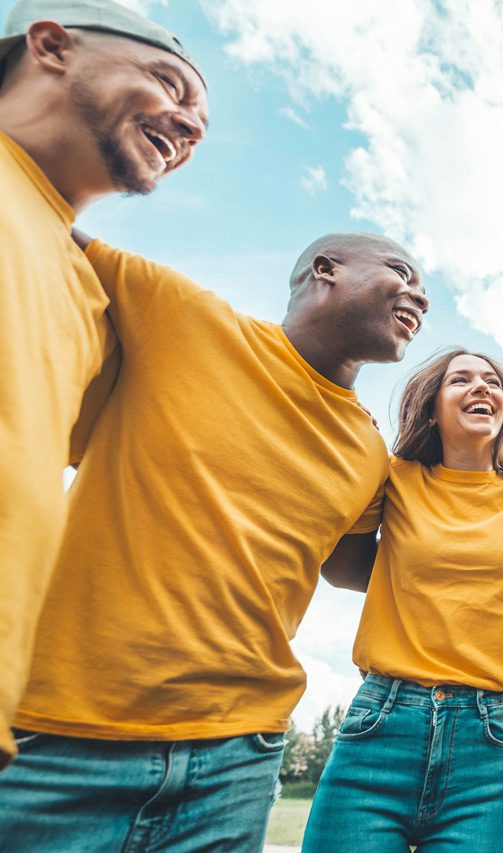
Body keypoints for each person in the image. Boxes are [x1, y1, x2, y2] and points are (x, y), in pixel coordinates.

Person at [0, 231, 427, 850]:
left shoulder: (368, 449)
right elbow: (33, 215)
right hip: (60, 736)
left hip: (238, 760)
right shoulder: (180, 315)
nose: (419, 296)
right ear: (325, 269)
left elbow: (349, 570)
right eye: (401, 272)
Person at [0, 0, 207, 767]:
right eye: (170, 85)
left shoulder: (89, 300)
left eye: (201, 124)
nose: (190, 128)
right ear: (50, 44)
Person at [301, 347, 503, 853]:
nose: (482, 387)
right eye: (460, 380)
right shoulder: (390, 476)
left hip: (489, 738)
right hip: (382, 721)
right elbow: (342, 568)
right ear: (431, 406)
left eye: (493, 382)